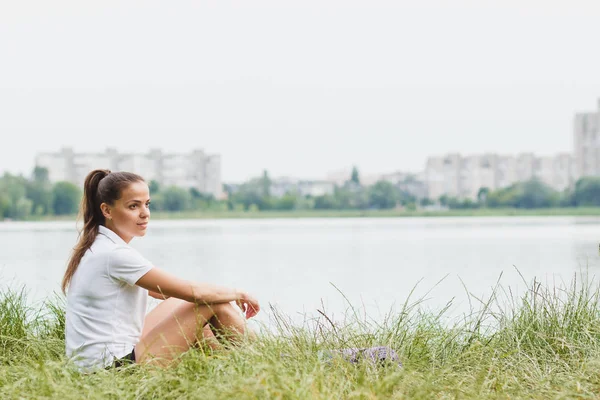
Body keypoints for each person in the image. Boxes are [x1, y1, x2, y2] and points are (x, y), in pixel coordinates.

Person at [62, 169, 260, 371]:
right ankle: (263, 360)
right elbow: (196, 293)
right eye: (133, 206)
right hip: (113, 371)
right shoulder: (114, 254)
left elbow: (165, 292)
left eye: (146, 204)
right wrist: (238, 293)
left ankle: (233, 364)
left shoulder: (100, 245)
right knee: (211, 304)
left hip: (97, 366)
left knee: (188, 302)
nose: (144, 213)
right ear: (107, 211)